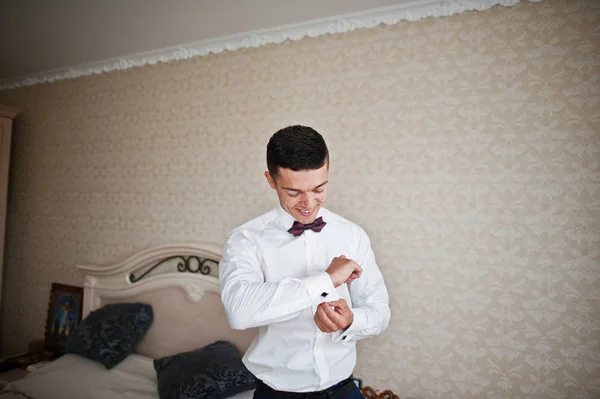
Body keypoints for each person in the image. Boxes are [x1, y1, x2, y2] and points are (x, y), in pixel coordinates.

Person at [219, 125, 390, 399]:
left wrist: (351, 320)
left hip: (345, 389)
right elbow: (239, 312)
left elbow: (380, 311)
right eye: (293, 192)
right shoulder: (246, 239)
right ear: (271, 180)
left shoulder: (352, 234)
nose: (309, 203)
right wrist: (327, 280)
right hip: (278, 393)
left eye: (319, 188)